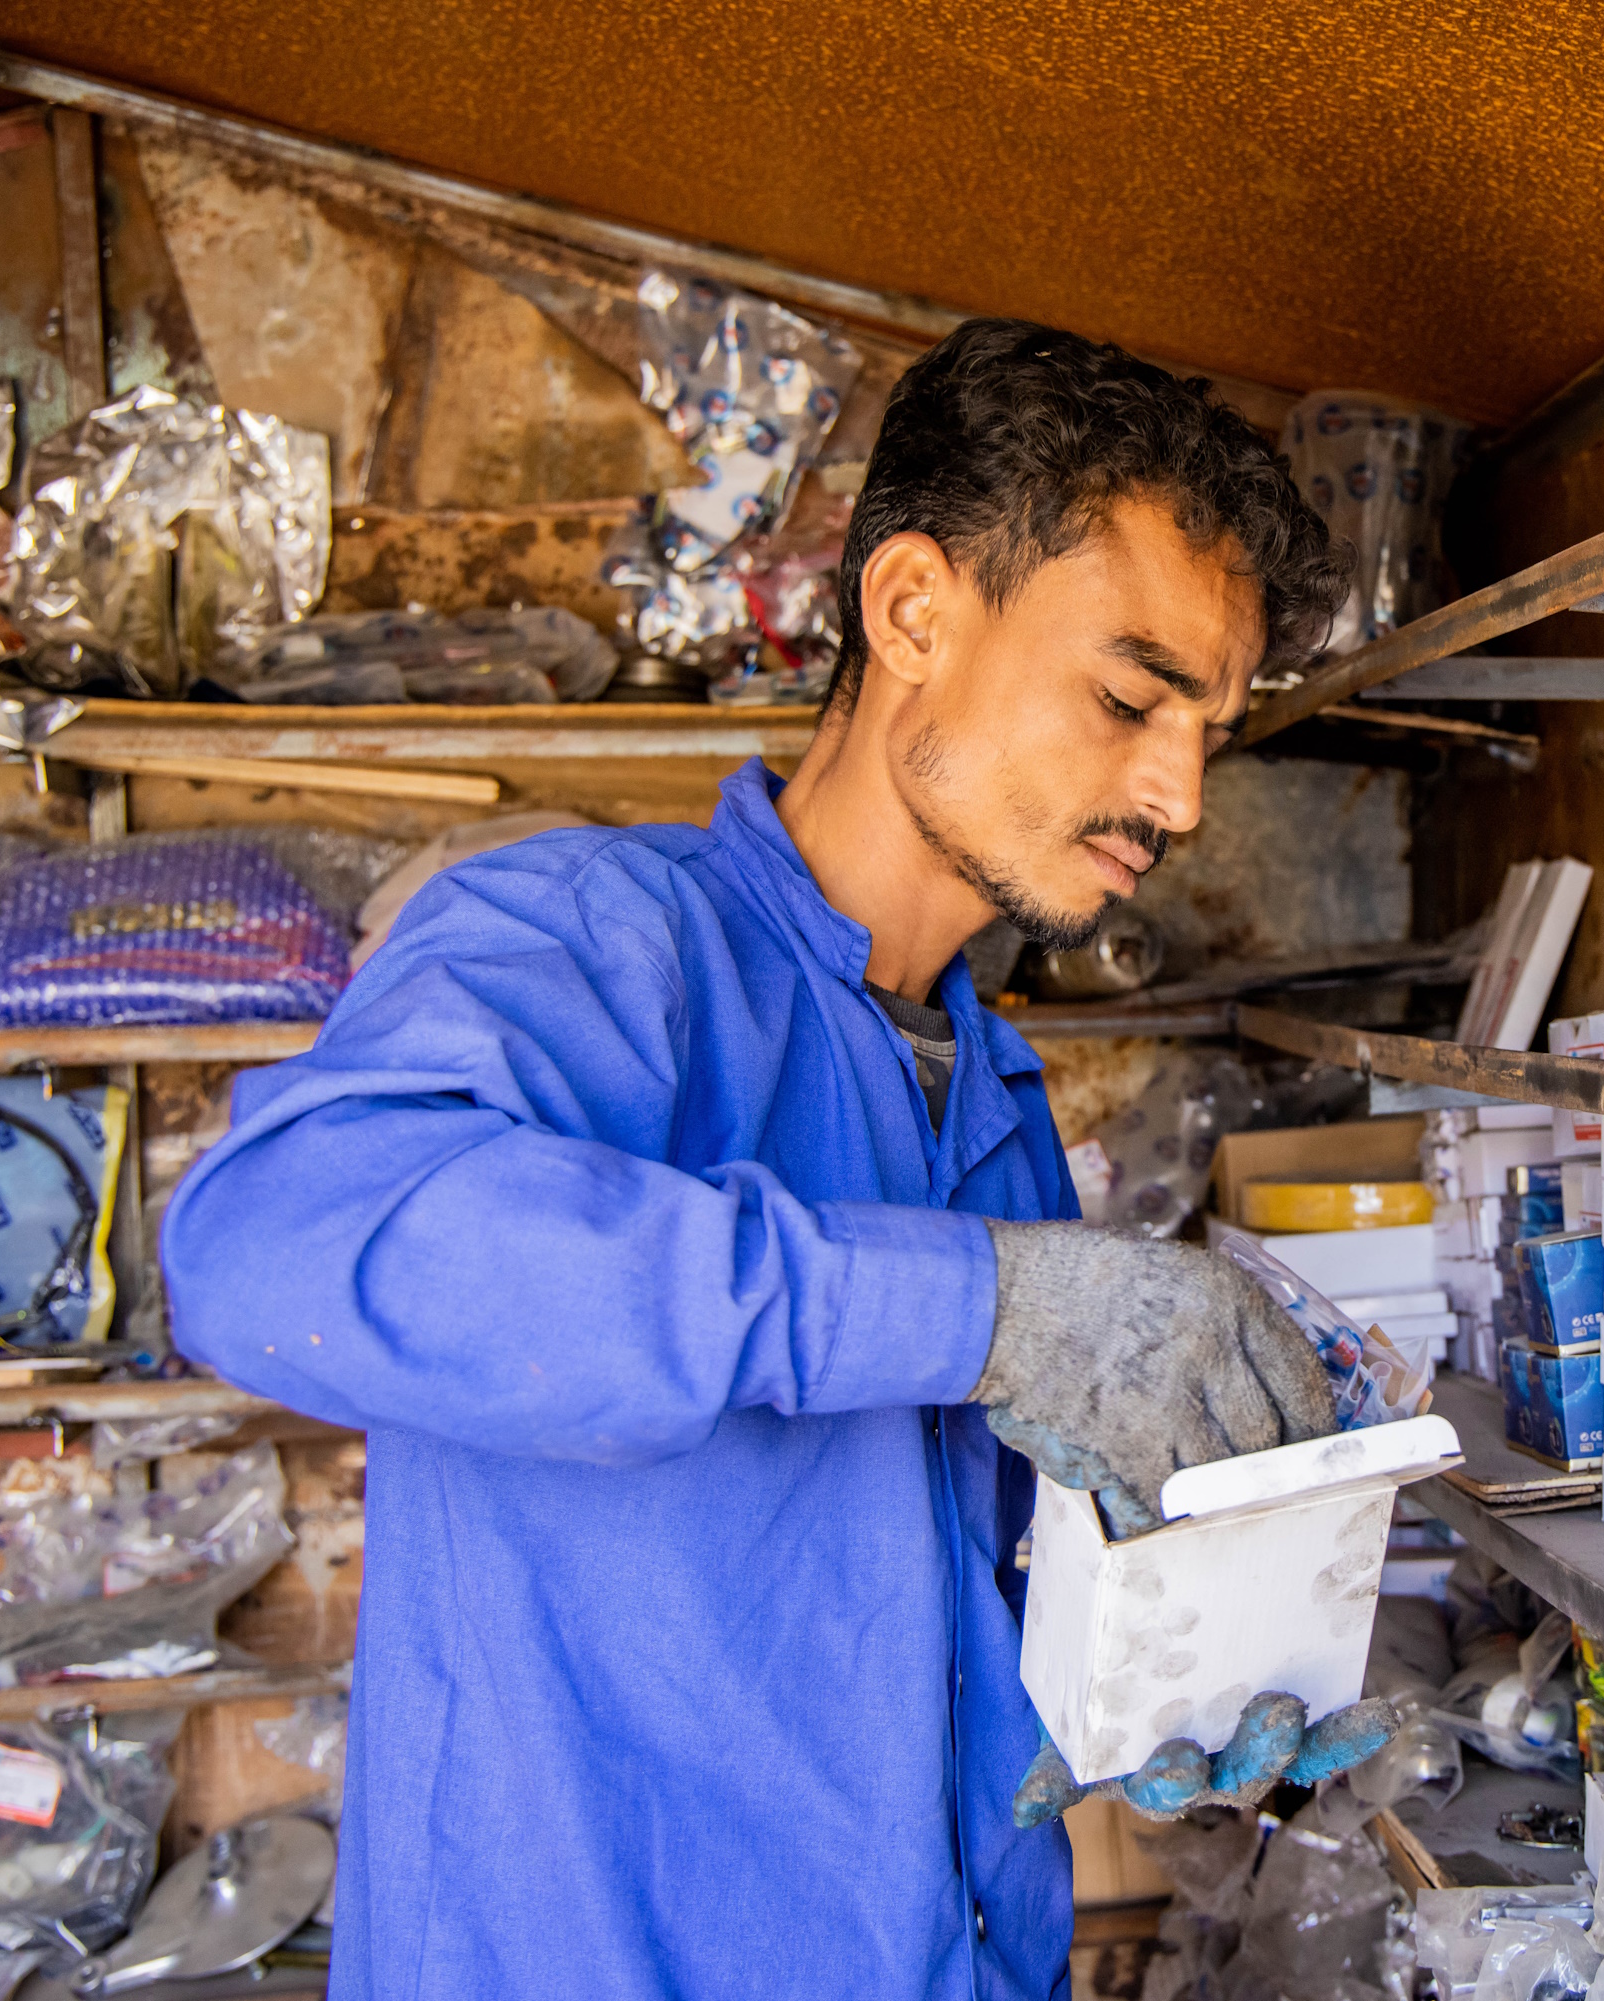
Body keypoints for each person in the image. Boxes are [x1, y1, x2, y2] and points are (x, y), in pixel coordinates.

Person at [161, 319, 1382, 2000]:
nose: (1176, 793)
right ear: (912, 613)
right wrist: (976, 1305)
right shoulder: (594, 942)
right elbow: (266, 1243)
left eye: (1209, 733)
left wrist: (1184, 1683)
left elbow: (928, 1600)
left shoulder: (998, 1100)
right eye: (1128, 697)